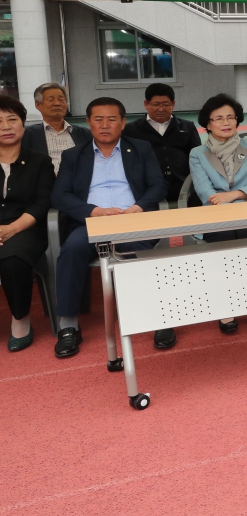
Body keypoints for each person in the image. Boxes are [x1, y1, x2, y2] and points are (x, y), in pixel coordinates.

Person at [50, 98, 168, 358]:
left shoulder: (141, 148)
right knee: (71, 251)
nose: (105, 125)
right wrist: (94, 211)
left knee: (142, 254)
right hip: (93, 221)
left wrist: (138, 207)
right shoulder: (73, 155)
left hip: (132, 218)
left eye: (112, 119)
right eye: (98, 119)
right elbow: (60, 196)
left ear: (123, 123)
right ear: (88, 122)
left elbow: (158, 186)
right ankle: (68, 326)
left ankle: (158, 318)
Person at [189, 93, 247, 333]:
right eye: (218, 119)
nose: (225, 123)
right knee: (224, 242)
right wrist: (226, 202)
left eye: (230, 118)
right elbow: (206, 193)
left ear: (238, 121)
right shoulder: (197, 153)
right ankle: (226, 305)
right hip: (216, 215)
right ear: (207, 123)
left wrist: (232, 195)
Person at [0, 96, 55, 352]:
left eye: (12, 119)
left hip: (27, 228)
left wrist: (11, 229)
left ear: (23, 124)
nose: (5, 126)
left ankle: (20, 318)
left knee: (12, 259)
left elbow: (42, 203)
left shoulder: (40, 161)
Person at [123, 83, 202, 204]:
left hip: (184, 182)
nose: (161, 109)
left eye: (166, 104)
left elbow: (198, 156)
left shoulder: (187, 127)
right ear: (146, 104)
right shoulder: (131, 130)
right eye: (155, 104)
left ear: (173, 104)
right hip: (148, 185)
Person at [23, 82, 89, 174]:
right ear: (38, 105)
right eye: (51, 100)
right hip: (45, 185)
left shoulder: (84, 133)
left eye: (61, 100)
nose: (57, 103)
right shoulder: (27, 135)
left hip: (78, 184)